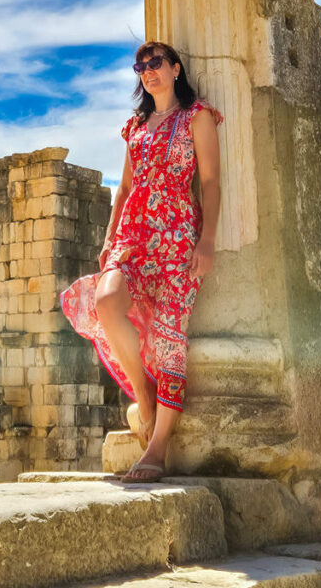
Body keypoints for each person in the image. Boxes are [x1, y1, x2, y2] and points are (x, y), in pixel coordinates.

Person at [59, 40, 223, 484]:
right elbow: (125, 188)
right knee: (107, 299)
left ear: (175, 69)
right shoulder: (136, 126)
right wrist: (111, 237)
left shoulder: (197, 117)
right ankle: (143, 397)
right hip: (134, 236)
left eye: (156, 64)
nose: (148, 72)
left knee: (171, 335)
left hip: (176, 237)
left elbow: (210, 181)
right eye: (141, 66)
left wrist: (206, 240)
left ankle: (158, 447)